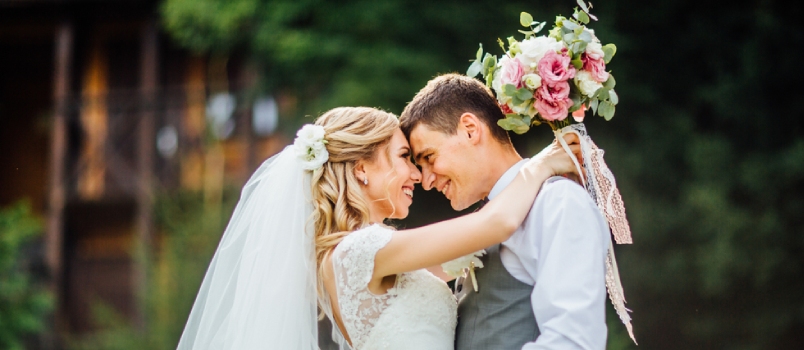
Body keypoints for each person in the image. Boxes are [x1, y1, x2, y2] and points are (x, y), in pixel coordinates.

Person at [177, 106, 581, 350]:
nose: (417, 176)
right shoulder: (362, 250)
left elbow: (468, 252)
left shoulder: (357, 256)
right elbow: (495, 223)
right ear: (362, 169)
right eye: (405, 157)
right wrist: (542, 164)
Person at [400, 74, 610, 350]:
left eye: (429, 157)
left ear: (470, 129)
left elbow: (573, 341)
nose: (426, 181)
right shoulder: (483, 223)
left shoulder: (557, 201)